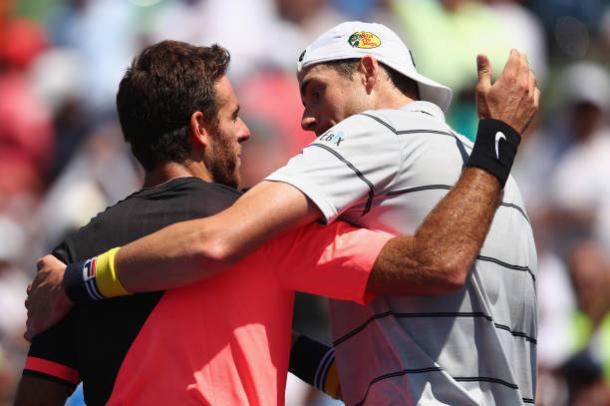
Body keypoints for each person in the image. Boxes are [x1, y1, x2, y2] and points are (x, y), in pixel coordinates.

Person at [25, 22, 539, 405]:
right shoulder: (497, 182)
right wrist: (498, 142)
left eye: (316, 91)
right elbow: (219, 251)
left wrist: (76, 280)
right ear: (200, 129)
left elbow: (38, 395)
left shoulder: (73, 252)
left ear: (368, 71)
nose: (304, 120)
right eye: (237, 116)